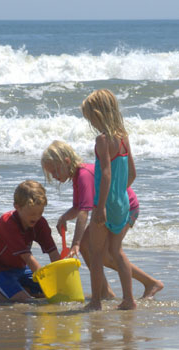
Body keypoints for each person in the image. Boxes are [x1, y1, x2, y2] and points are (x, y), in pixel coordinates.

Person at [41, 140, 163, 301]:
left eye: (55, 171)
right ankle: (105, 291)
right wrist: (64, 217)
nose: (55, 177)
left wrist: (75, 243)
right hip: (106, 210)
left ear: (66, 162)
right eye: (51, 174)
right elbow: (78, 207)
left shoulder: (84, 175)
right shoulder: (78, 175)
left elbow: (84, 213)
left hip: (125, 208)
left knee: (108, 253)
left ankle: (150, 283)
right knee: (89, 247)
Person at [79, 88, 140, 310]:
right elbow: (132, 173)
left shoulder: (102, 140)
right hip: (122, 202)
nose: (91, 123)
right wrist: (117, 194)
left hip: (104, 204)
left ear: (98, 114)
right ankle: (129, 299)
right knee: (116, 251)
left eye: (91, 118)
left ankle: (95, 302)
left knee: (96, 255)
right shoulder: (124, 137)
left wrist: (101, 205)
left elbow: (105, 173)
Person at [0, 180, 60, 302]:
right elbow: (28, 258)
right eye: (32, 213)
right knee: (24, 302)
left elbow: (53, 253)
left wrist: (60, 283)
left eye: (40, 213)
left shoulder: (40, 223)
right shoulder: (7, 223)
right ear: (17, 207)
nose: (37, 217)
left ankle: (20, 287)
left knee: (51, 293)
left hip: (19, 268)